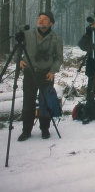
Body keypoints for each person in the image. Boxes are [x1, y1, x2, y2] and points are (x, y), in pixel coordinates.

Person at [17, 12, 63, 141]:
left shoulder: (56, 38)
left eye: (44, 19)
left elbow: (59, 58)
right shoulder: (27, 35)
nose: (41, 21)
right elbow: (18, 49)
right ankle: (26, 130)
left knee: (45, 102)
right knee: (28, 103)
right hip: (29, 73)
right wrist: (19, 60)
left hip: (46, 74)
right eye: (39, 19)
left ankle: (45, 129)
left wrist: (53, 71)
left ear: (50, 23)